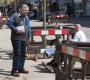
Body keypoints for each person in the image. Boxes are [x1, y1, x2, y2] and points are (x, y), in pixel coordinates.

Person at [7, 4, 31, 77]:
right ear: (20, 9)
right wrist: (15, 29)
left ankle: (20, 68)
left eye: (27, 10)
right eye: (25, 10)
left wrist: (29, 37)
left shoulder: (26, 17)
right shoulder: (15, 16)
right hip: (16, 38)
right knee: (17, 54)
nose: (27, 11)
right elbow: (9, 23)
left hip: (24, 38)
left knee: (23, 54)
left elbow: (28, 27)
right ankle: (14, 71)